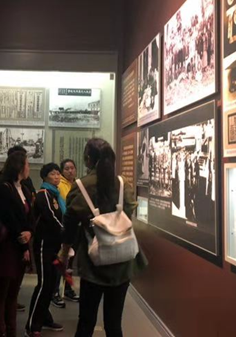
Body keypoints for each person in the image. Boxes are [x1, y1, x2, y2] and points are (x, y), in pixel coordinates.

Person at [59, 138, 147, 337]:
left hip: (94, 262)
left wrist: (64, 254)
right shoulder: (123, 184)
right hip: (123, 261)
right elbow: (129, 212)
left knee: (86, 322)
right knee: (114, 324)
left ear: (88, 159)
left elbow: (70, 225)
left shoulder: (81, 186)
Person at [0, 150, 33, 337]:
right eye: (27, 164)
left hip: (21, 246)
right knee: (2, 292)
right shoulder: (4, 188)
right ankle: (1, 332)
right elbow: (9, 218)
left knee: (13, 292)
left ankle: (11, 331)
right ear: (19, 167)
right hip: (7, 246)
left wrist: (29, 233)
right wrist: (23, 242)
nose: (29, 168)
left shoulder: (24, 189)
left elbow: (29, 217)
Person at [25, 163, 65, 337]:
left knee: (51, 284)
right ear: (45, 177)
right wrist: (66, 232)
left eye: (58, 174)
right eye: (52, 174)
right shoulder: (43, 194)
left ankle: (44, 318)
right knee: (43, 284)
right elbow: (51, 216)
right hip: (44, 245)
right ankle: (32, 324)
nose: (56, 177)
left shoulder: (55, 195)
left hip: (55, 245)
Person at [53, 159, 80, 307]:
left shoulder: (78, 184)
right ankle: (55, 292)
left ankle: (68, 289)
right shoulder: (60, 185)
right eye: (67, 168)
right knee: (61, 260)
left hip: (76, 228)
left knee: (70, 261)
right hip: (64, 228)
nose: (70, 171)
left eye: (72, 168)